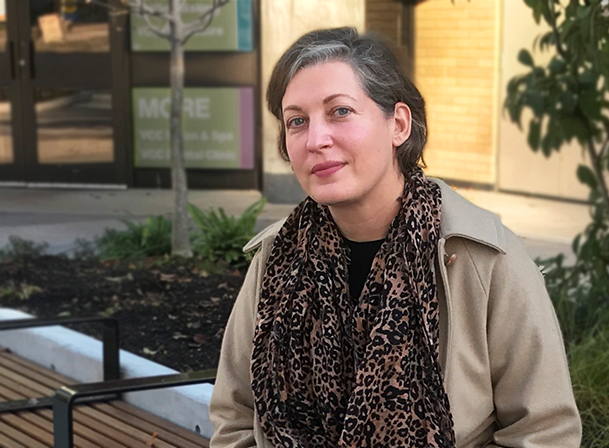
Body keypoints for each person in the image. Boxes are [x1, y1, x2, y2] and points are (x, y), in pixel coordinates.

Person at [208, 28, 581, 448]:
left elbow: (544, 432)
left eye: (340, 112)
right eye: (297, 121)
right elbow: (235, 416)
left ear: (398, 124)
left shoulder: (483, 257)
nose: (316, 140)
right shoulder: (277, 258)